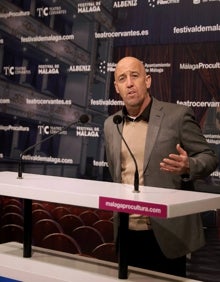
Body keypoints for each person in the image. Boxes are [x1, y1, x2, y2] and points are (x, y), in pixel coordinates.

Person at [104, 56, 218, 277]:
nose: (129, 83)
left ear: (147, 81)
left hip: (167, 231)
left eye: (134, 76)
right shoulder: (111, 124)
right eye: (122, 78)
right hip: (126, 230)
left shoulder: (177, 116)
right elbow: (116, 172)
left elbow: (209, 157)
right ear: (117, 88)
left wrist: (189, 166)